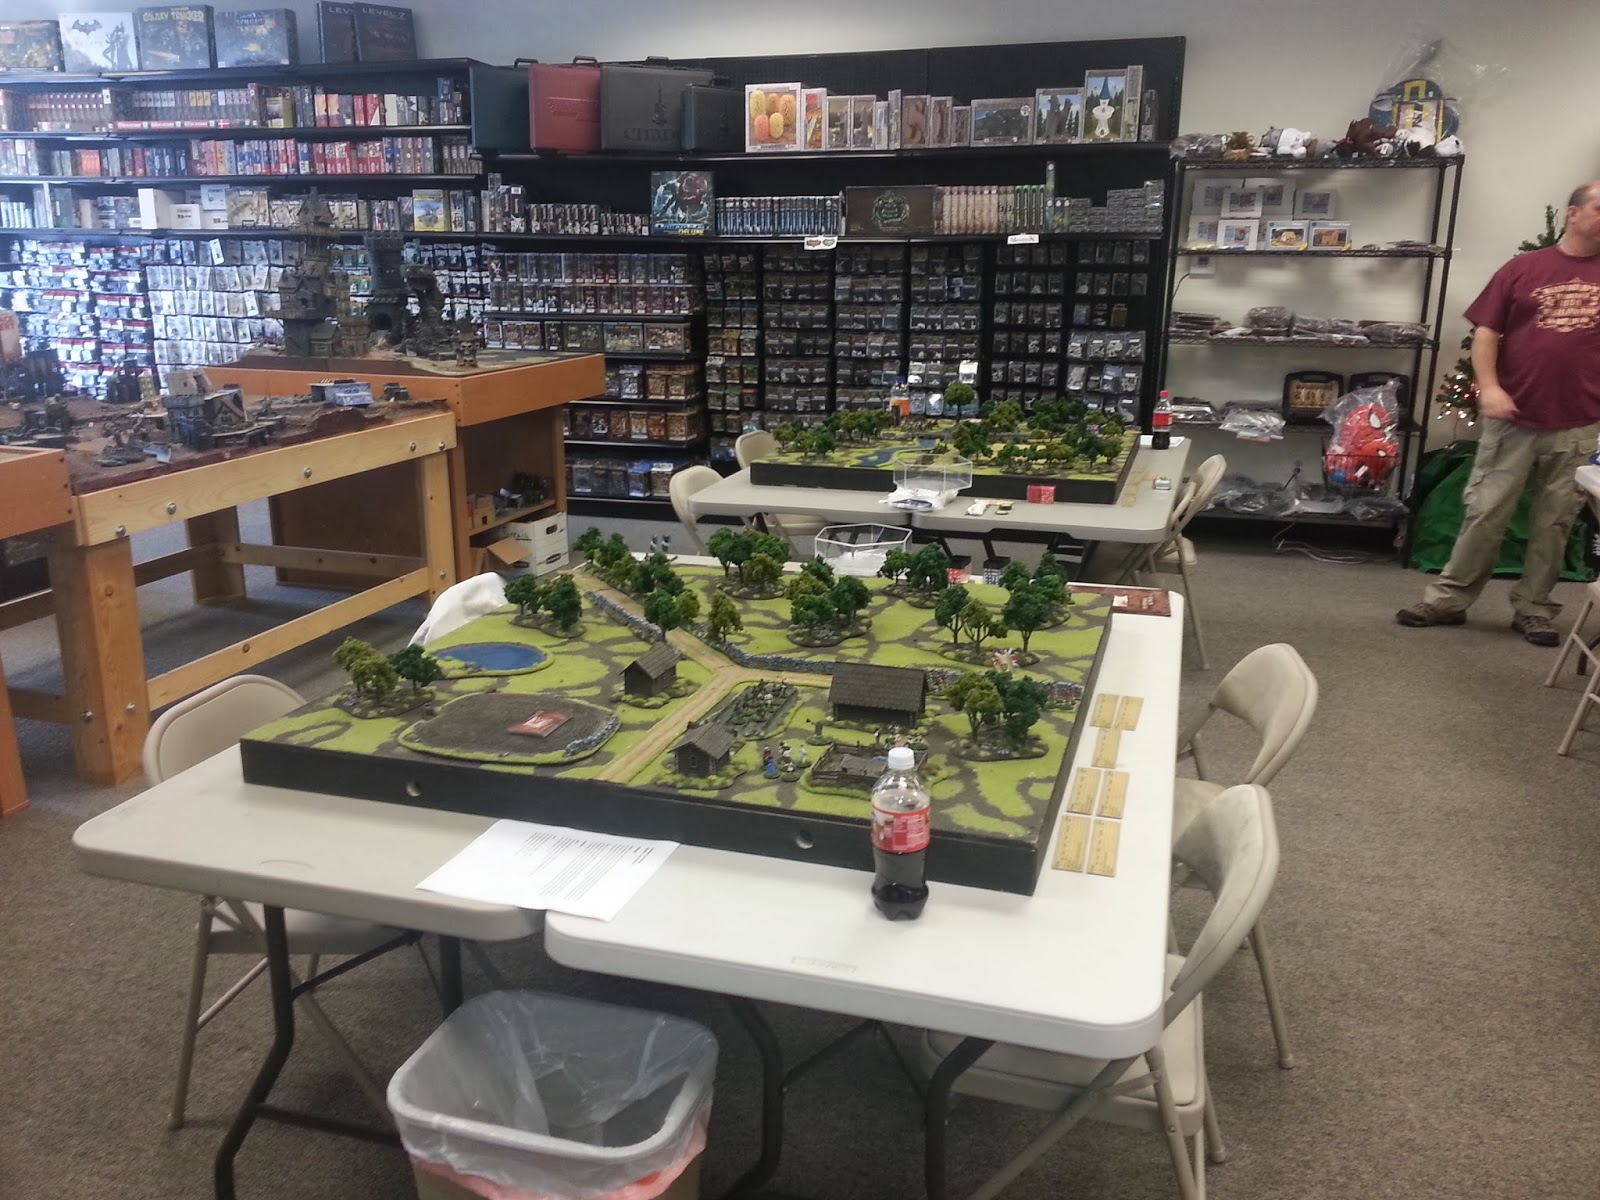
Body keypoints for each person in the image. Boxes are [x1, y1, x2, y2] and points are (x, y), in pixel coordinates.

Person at [1397, 180, 1600, 645]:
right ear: (1573, 214)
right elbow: (1487, 334)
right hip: (1513, 419)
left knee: (1554, 523)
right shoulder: (1523, 269)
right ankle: (1448, 600)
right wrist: (1488, 388)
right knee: (1484, 512)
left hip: (1579, 422)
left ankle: (1534, 609)